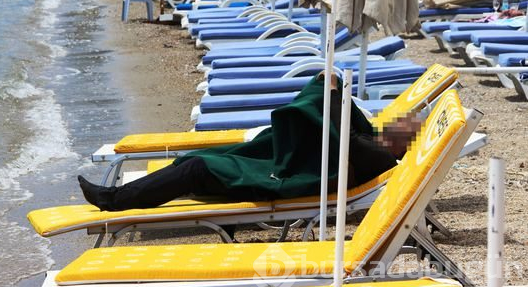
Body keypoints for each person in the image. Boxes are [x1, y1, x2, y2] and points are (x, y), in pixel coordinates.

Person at [79, 73, 423, 212]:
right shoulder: (374, 143)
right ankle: (127, 194)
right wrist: (334, 89)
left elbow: (339, 135)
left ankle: (114, 200)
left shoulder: (376, 156)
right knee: (196, 161)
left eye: (397, 128)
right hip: (283, 171)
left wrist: (329, 93)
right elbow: (341, 122)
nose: (389, 125)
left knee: (198, 167)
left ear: (399, 145)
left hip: (282, 180)